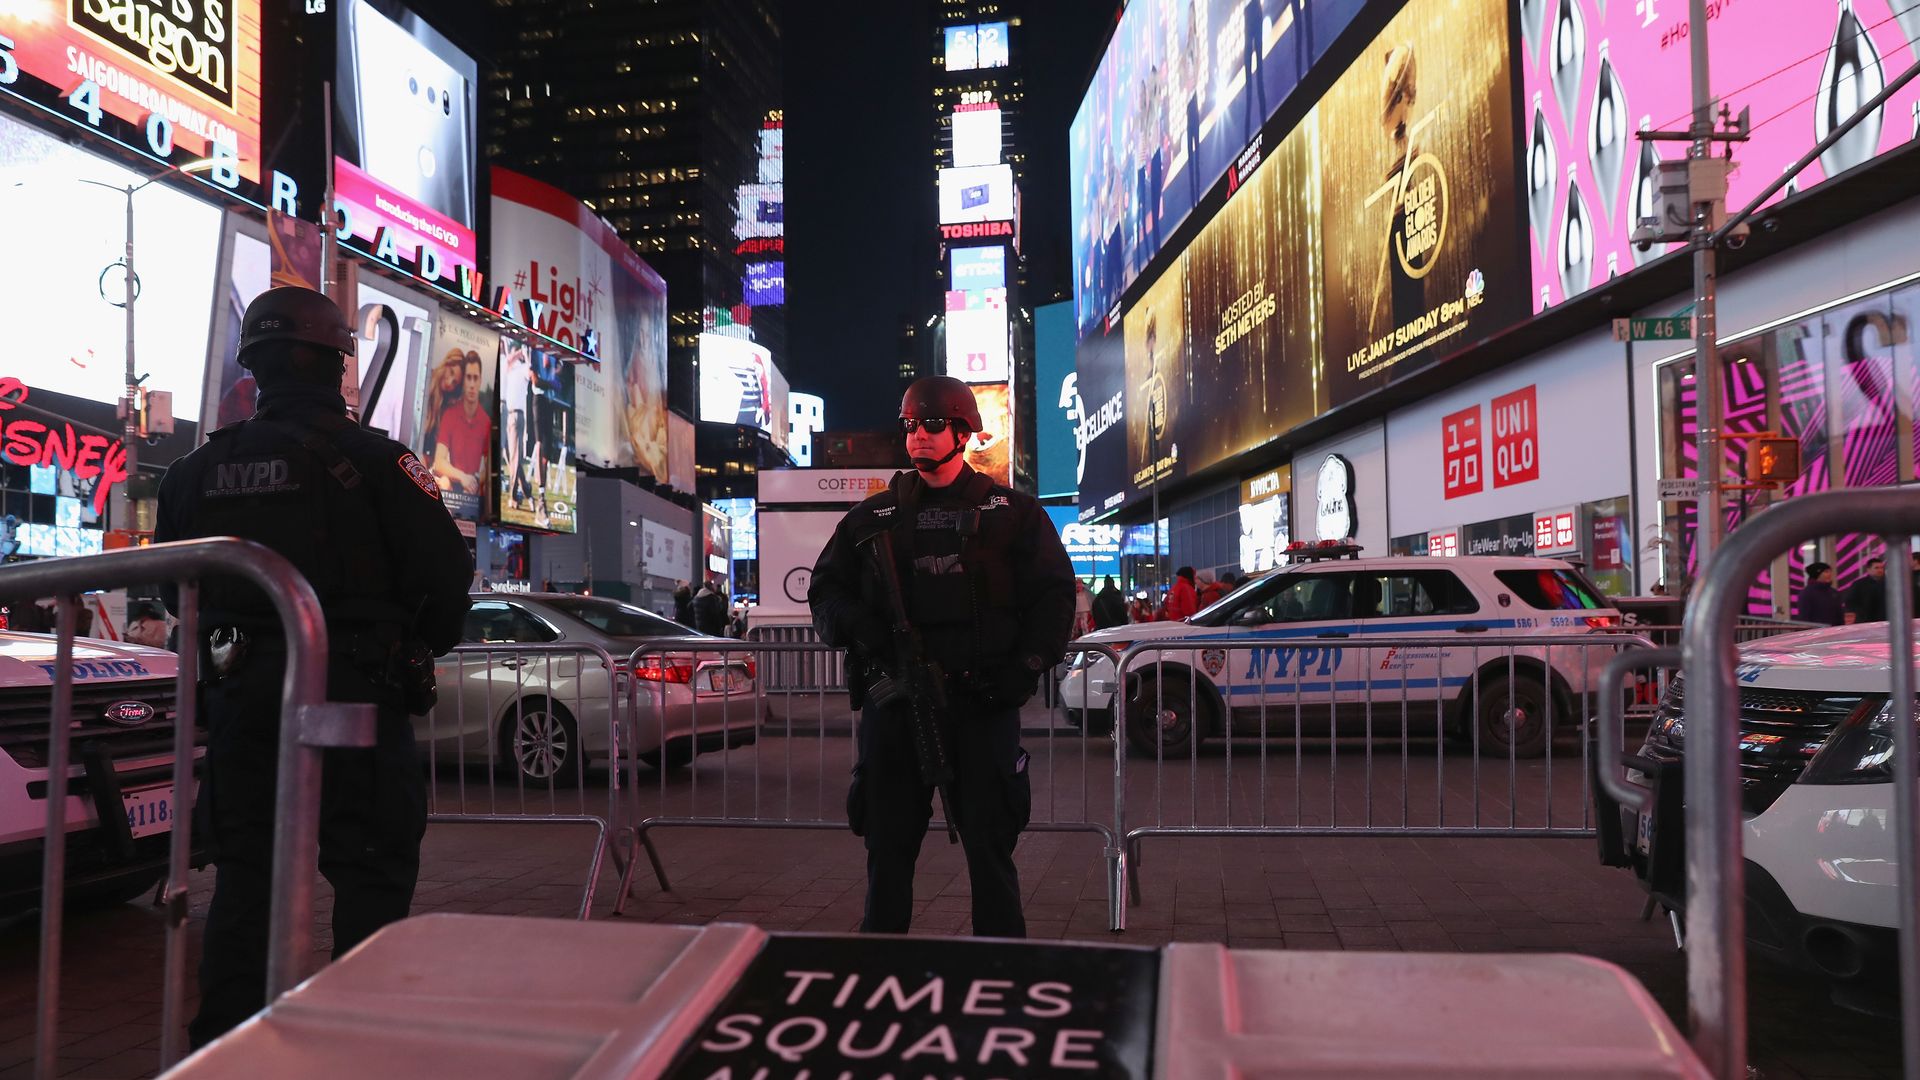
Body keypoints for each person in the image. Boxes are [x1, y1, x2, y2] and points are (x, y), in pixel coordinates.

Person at [154, 286, 472, 1048]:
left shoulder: (195, 474)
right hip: (356, 700)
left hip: (242, 703)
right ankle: (356, 1042)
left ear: (252, 366)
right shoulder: (380, 462)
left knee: (247, 881)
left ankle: (226, 1051)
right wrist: (409, 649)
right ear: (338, 364)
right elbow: (444, 581)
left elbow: (174, 590)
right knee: (370, 879)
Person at [809, 376, 1075, 938]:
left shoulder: (1013, 514)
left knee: (991, 848)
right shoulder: (871, 520)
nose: (919, 436)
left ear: (963, 431)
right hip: (897, 708)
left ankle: (1002, 974)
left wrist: (1022, 671)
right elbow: (825, 591)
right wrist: (864, 629)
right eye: (910, 425)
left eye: (932, 424)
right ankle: (881, 975)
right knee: (887, 847)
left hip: (983, 708)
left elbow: (1054, 597)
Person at [429, 352, 491, 496]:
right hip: (452, 488)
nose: (472, 384)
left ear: (480, 380)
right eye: (468, 378)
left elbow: (488, 469)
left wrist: (475, 480)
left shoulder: (486, 422)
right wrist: (462, 477)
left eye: (475, 378)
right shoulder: (450, 415)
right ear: (463, 381)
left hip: (473, 493)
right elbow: (439, 461)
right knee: (444, 483)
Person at [1795, 561, 1845, 627]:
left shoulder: (1834, 593)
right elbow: (1804, 618)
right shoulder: (1807, 593)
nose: (1830, 574)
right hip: (1816, 633)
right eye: (1826, 572)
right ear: (1817, 574)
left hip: (1834, 632)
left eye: (1830, 571)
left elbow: (1839, 616)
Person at [1845, 557, 1888, 625]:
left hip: (1885, 621)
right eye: (1876, 568)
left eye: (1882, 568)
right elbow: (1850, 602)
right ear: (1868, 569)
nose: (1880, 570)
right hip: (1864, 622)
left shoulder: (1889, 584)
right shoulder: (1859, 584)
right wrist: (1860, 612)